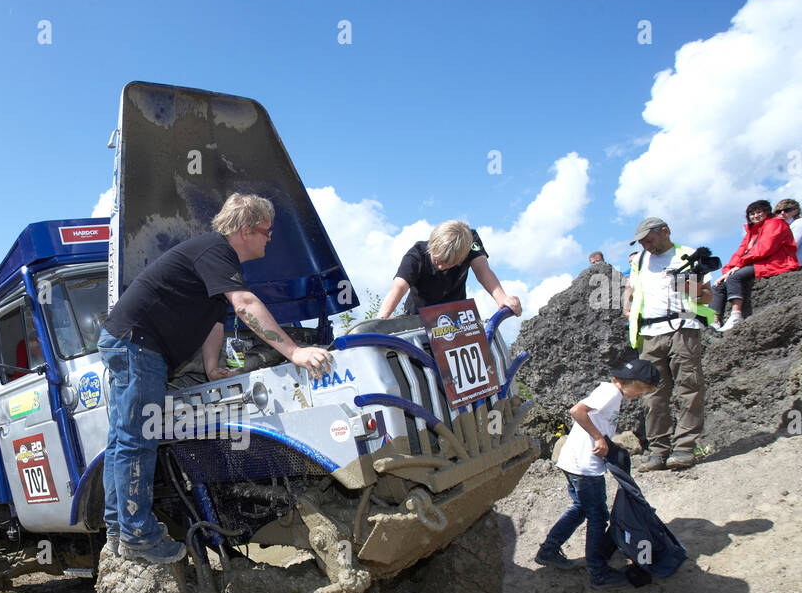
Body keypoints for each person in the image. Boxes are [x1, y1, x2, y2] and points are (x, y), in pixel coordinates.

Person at [98, 192, 331, 564]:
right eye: (266, 231)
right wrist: (295, 352)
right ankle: (137, 536)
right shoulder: (215, 250)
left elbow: (213, 321)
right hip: (137, 343)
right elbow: (245, 304)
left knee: (122, 441)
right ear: (244, 229)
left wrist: (211, 368)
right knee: (138, 438)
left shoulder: (214, 260)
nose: (270, 239)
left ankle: (119, 527)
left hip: (132, 342)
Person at [535, 358, 660, 587]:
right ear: (630, 382)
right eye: (641, 389)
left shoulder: (612, 393)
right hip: (584, 466)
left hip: (575, 462)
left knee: (581, 508)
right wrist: (599, 438)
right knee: (598, 516)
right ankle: (598, 572)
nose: (640, 395)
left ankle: (548, 550)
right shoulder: (611, 393)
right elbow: (577, 411)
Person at [622, 216, 715, 472]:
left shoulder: (687, 255)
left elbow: (706, 296)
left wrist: (692, 287)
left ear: (665, 232)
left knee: (689, 387)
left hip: (683, 328)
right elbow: (631, 287)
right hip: (650, 333)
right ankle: (658, 451)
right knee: (652, 395)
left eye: (650, 240)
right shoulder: (639, 260)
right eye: (642, 242)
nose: (646, 246)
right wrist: (627, 305)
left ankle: (684, 448)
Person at [376, 219, 522, 321]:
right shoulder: (416, 255)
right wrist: (379, 322)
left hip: (457, 316)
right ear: (432, 246)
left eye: (449, 263)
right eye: (437, 260)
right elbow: (398, 287)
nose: (441, 267)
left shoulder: (470, 241)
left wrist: (502, 299)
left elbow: (483, 271)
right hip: (418, 318)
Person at [711, 200, 798, 332]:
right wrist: (727, 270)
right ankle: (715, 320)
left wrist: (738, 267)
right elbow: (740, 253)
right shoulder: (752, 232)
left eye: (759, 212)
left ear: (767, 212)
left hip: (776, 262)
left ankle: (736, 315)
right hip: (755, 262)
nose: (755, 216)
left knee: (735, 277)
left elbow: (765, 248)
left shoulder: (776, 223)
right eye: (752, 214)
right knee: (719, 285)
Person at [774, 199, 802, 266]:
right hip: (789, 264)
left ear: (796, 211)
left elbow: (789, 246)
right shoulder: (782, 227)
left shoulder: (801, 222)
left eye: (787, 210)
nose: (782, 213)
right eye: (779, 212)